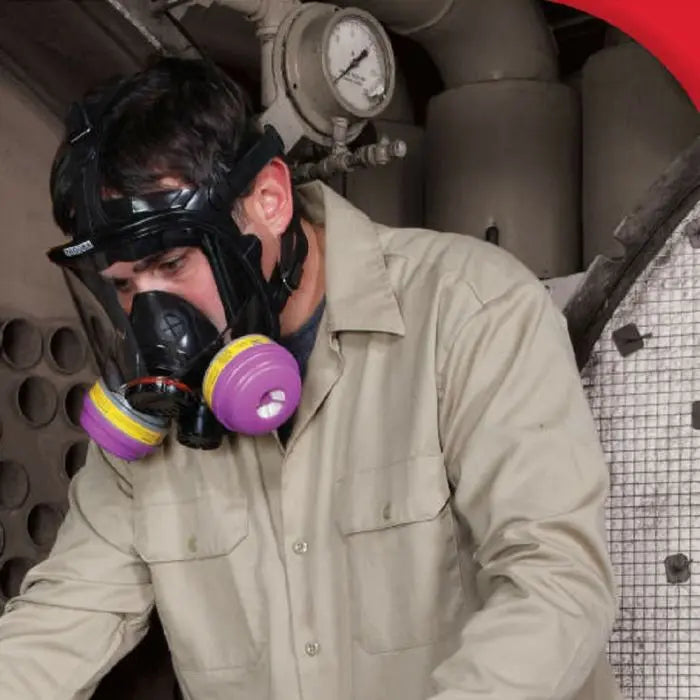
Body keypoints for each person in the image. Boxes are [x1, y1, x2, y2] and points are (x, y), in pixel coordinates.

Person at [0, 56, 623, 700]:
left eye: (173, 262)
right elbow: (64, 618)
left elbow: (553, 585)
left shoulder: (468, 309)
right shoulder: (153, 409)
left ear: (268, 200)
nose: (155, 319)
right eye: (125, 286)